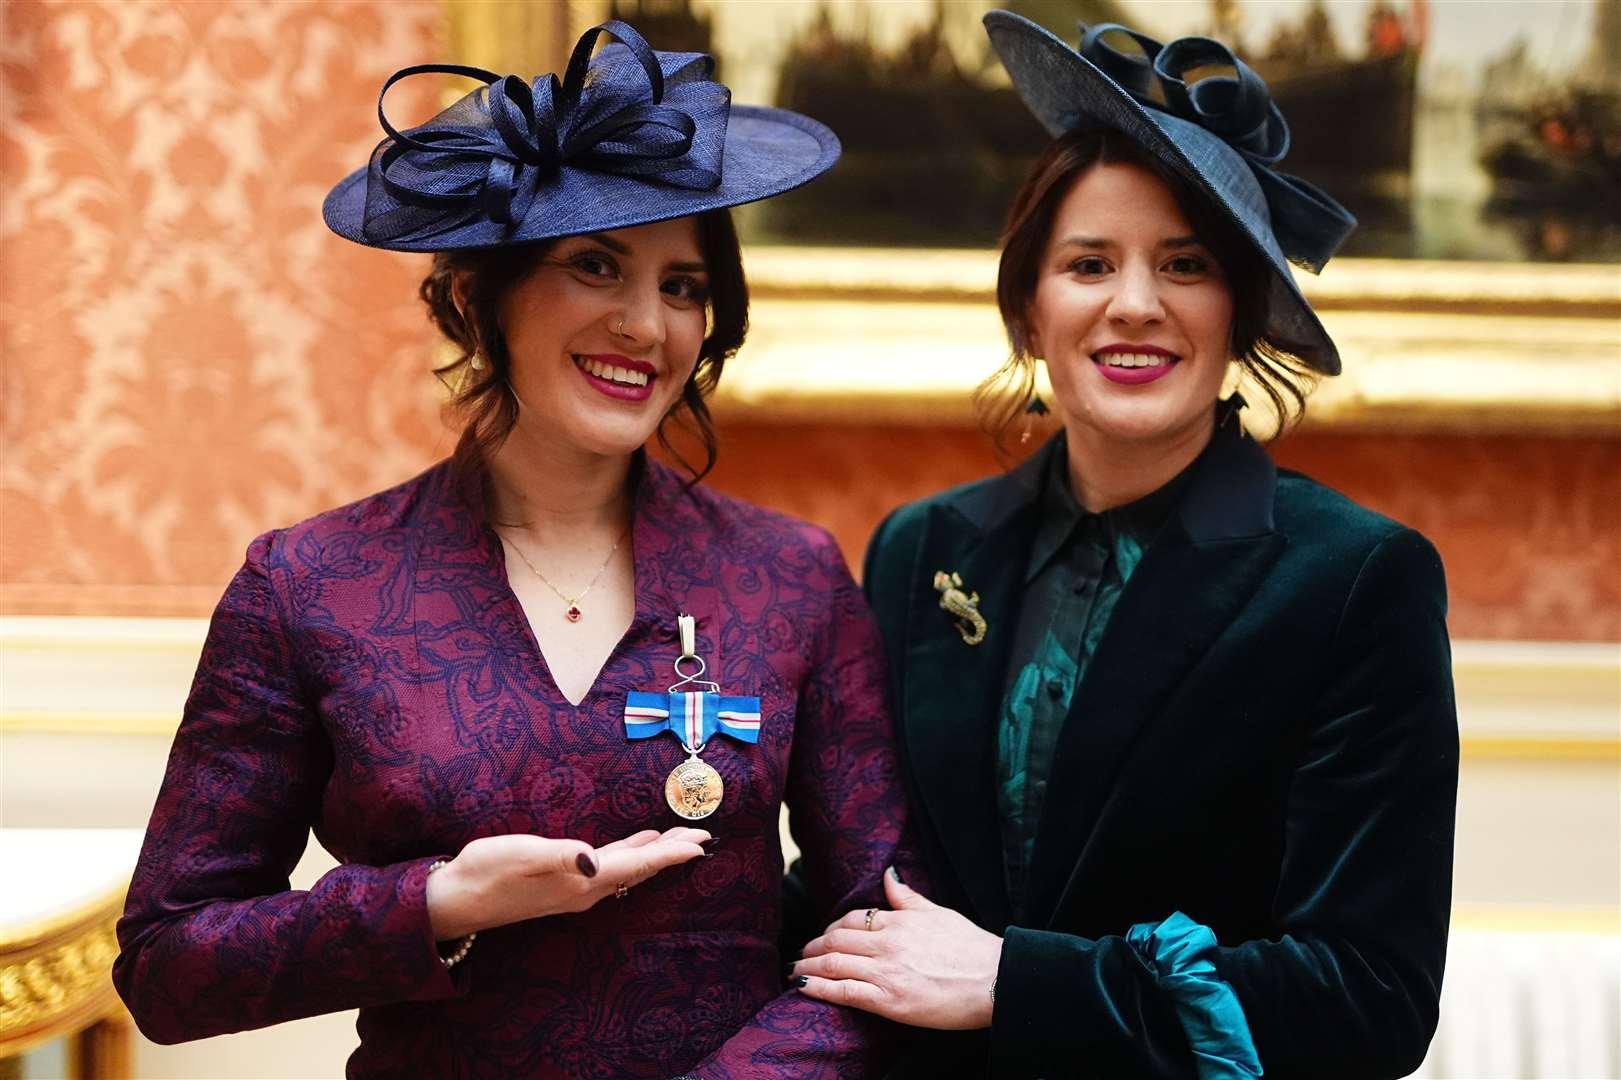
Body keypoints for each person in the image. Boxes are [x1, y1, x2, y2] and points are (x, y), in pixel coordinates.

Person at [115, 22, 915, 1078]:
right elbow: (169, 969)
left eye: (684, 286)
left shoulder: (790, 577)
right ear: (472, 295)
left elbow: (886, 934)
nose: (648, 323)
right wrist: (439, 901)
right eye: (596, 266)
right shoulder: (310, 586)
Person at [788, 13, 1457, 1079]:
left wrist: (1017, 982)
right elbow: (854, 889)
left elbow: (1368, 999)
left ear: (1237, 312)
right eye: (1090, 263)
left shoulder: (1355, 580)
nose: (1134, 305)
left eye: (1185, 265)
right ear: (1029, 308)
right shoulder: (922, 552)